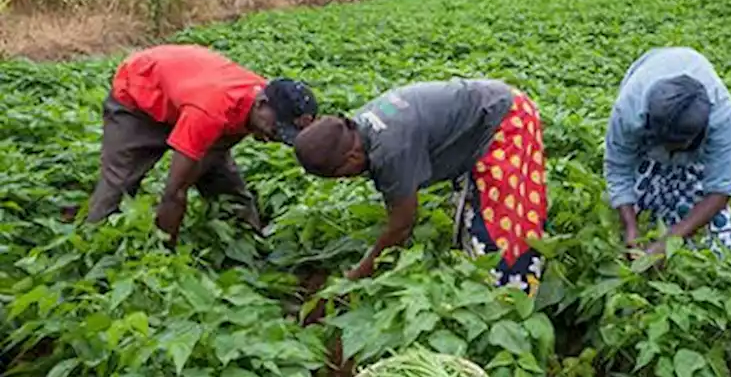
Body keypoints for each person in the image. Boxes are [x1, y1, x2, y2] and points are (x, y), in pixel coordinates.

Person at [292, 80, 548, 291]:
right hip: (482, 115)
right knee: (473, 209)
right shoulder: (357, 128)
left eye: (343, 175)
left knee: (503, 223)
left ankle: (512, 300)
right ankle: (478, 279)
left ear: (351, 158)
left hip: (506, 117)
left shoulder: (389, 151)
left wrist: (359, 276)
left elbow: (402, 224)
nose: (348, 179)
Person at [86, 44, 318, 243]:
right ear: (261, 104)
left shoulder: (259, 104)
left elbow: (213, 154)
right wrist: (167, 251)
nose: (274, 137)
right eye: (276, 129)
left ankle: (247, 241)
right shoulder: (213, 110)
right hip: (139, 93)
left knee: (224, 183)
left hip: (185, 90)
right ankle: (95, 243)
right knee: (121, 181)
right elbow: (174, 192)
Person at [605, 47, 731, 255]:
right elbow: (618, 167)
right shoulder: (629, 111)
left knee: (716, 245)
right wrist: (630, 228)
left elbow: (720, 190)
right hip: (647, 116)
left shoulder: (722, 117)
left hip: (697, 146)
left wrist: (670, 241)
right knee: (643, 213)